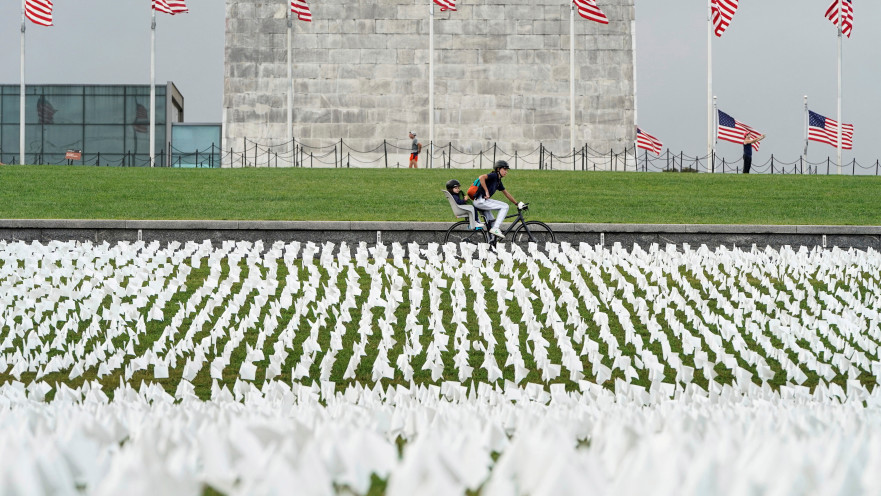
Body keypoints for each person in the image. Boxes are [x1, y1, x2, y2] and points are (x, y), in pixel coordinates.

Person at [473, 160, 525, 239]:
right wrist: (486, 191)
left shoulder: (498, 181)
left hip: (483, 202)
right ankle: (496, 228)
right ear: (498, 169)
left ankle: (490, 243)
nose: (506, 172)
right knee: (505, 206)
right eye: (504, 169)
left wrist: (516, 203)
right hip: (480, 201)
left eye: (507, 170)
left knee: (492, 223)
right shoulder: (494, 175)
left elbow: (506, 193)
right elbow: (481, 177)